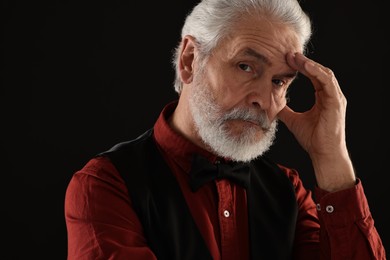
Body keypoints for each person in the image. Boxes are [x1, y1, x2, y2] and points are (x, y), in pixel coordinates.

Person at [64, 0, 386, 259]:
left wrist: (330, 157)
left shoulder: (290, 192)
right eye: (246, 66)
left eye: (279, 81)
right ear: (190, 60)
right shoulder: (105, 186)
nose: (263, 99)